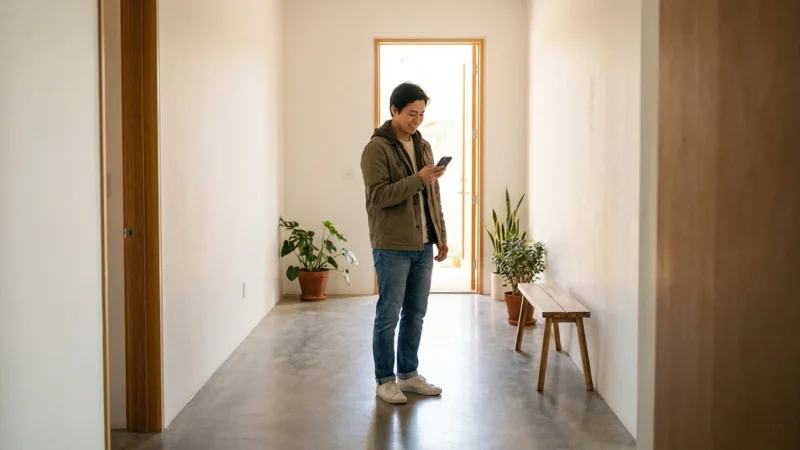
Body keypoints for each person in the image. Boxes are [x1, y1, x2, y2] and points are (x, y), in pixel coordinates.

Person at [360, 82, 448, 404]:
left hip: (423, 244)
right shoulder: (376, 149)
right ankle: (385, 380)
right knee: (388, 315)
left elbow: (432, 194)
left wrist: (440, 235)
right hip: (392, 245)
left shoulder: (422, 145)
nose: (417, 120)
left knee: (416, 313)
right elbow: (379, 196)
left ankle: (408, 375)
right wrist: (417, 179)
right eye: (412, 113)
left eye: (422, 114)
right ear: (394, 110)